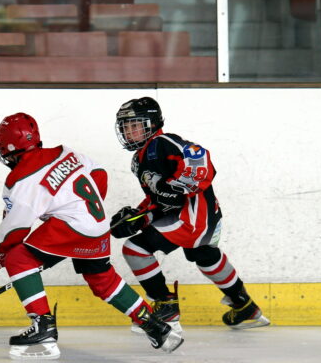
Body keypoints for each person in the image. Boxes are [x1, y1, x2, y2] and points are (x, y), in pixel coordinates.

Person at [0, 112, 183, 359]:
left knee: (18, 259)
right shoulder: (66, 152)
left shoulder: (19, 179)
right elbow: (99, 174)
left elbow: (15, 231)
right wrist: (79, 205)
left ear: (7, 148)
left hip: (71, 227)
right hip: (97, 224)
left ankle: (43, 328)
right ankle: (154, 326)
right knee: (101, 278)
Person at [110, 96, 269, 336]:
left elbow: (199, 159)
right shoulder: (139, 159)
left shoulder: (162, 142)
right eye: (125, 127)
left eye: (135, 125)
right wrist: (140, 217)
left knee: (135, 249)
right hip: (203, 218)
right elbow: (159, 199)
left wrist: (174, 187)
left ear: (152, 124)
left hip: (192, 219)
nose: (129, 132)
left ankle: (166, 308)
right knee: (205, 256)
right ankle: (244, 306)